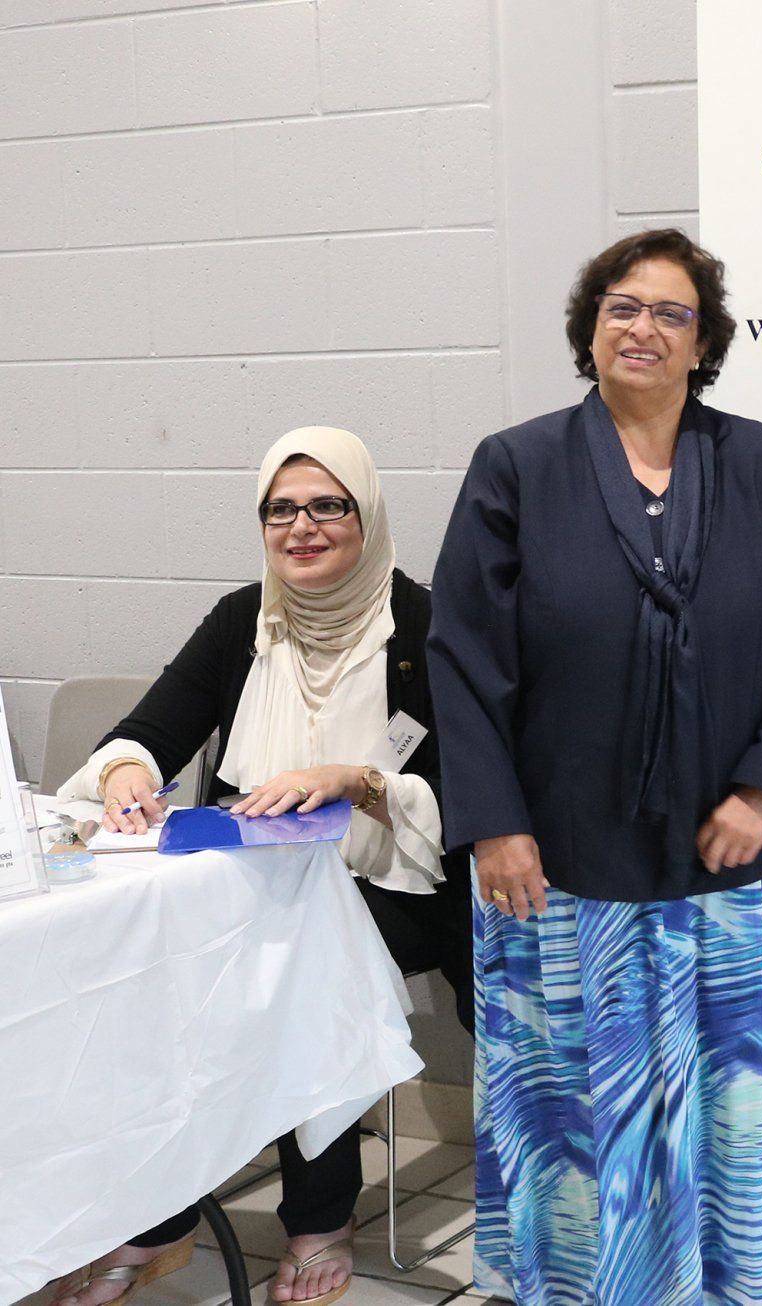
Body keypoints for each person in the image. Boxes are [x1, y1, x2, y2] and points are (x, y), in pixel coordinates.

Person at [427, 229, 762, 1306]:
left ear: (703, 340)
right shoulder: (516, 467)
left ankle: (754, 1285)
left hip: (751, 858)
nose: (644, 329)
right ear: (589, 325)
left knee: (748, 1104)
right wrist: (495, 822)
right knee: (588, 1103)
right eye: (624, 306)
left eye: (672, 313)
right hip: (567, 859)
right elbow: (463, 655)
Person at [50, 427, 471, 1306]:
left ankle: (319, 1216)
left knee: (295, 974)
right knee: (145, 967)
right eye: (281, 509)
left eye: (328, 505)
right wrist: (129, 771)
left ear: (367, 514)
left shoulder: (425, 625)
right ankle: (159, 1216)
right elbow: (149, 731)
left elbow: (465, 789)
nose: (302, 527)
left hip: (390, 880)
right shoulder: (247, 616)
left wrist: (355, 782)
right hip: (254, 880)